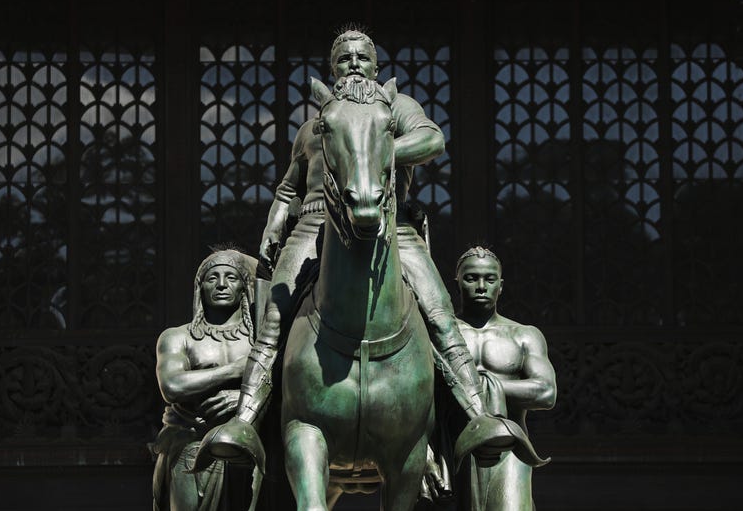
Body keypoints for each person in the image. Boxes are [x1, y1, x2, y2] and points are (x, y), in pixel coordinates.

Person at [207, 27, 543, 471]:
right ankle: (246, 421)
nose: (353, 64)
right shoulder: (314, 125)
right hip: (314, 223)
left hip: (390, 223)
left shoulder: (396, 107)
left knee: (439, 310)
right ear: (332, 69)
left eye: (362, 57)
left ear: (377, 67)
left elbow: (432, 139)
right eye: (344, 58)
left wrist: (373, 149)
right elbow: (290, 186)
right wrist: (274, 217)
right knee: (274, 316)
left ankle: (477, 416)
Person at [150, 247, 258, 511]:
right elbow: (172, 385)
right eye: (213, 278)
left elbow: (286, 388)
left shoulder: (259, 339)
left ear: (244, 287)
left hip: (246, 450)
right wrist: (236, 370)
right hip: (191, 446)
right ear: (200, 287)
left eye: (231, 277)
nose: (221, 284)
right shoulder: (178, 337)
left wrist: (244, 398)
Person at [454, 246, 557, 510]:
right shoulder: (439, 335)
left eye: (489, 279)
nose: (480, 286)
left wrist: (488, 386)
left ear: (501, 286)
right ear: (457, 282)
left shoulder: (523, 335)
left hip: (508, 447)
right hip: (451, 448)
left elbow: (546, 392)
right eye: (471, 278)